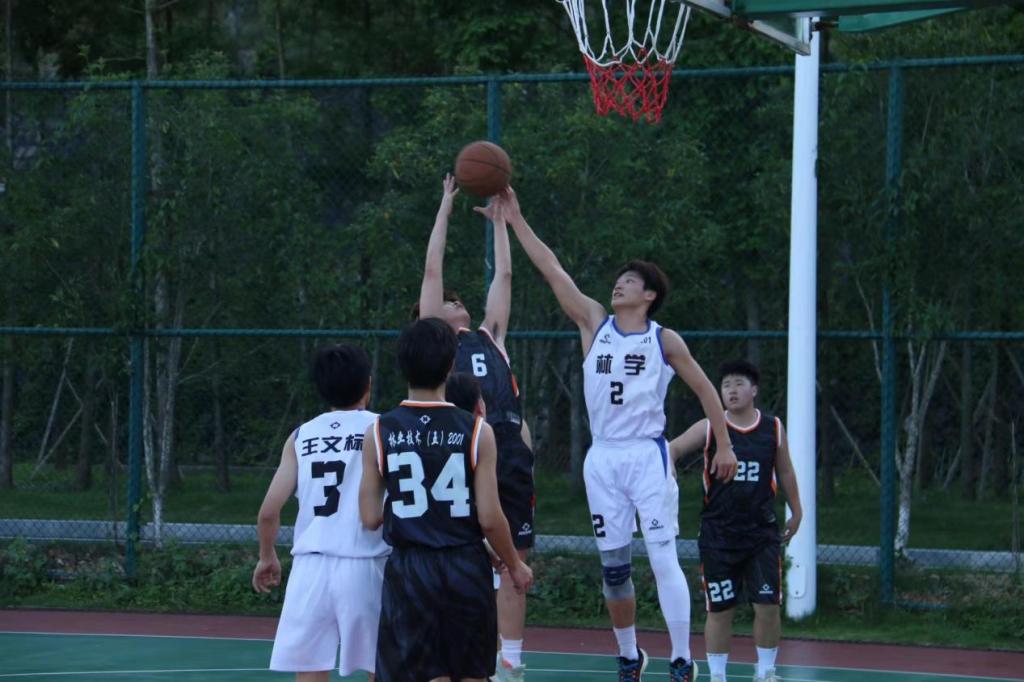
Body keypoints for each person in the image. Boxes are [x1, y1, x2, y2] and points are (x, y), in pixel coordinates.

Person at [502, 187, 738, 682]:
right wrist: (515, 219)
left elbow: (705, 390)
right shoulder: (595, 323)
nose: (618, 285)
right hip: (603, 458)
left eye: (629, 281)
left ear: (649, 295)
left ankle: (681, 658)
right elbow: (552, 270)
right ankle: (629, 655)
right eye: (617, 280)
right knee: (613, 569)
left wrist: (725, 443)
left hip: (646, 455)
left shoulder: (663, 339)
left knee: (662, 557)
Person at [359, 317, 534, 682]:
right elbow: (490, 517)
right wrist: (514, 564)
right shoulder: (477, 431)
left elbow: (370, 517)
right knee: (471, 673)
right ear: (452, 364)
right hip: (464, 565)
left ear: (401, 365)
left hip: (410, 568)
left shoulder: (378, 431)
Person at [416, 175, 535, 680]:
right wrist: (444, 207)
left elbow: (504, 276)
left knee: (514, 560)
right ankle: (452, 653)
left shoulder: (491, 336)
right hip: (456, 448)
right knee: (462, 556)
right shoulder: (434, 342)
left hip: (507, 449)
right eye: (446, 301)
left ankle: (511, 663)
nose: (454, 301)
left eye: (457, 299)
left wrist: (501, 223)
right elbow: (432, 268)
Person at [252, 344, 387, 682]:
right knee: (382, 665)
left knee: (310, 670)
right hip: (366, 562)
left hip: (310, 569)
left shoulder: (301, 436)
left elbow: (268, 512)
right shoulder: (383, 429)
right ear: (368, 384)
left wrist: (267, 555)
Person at [669, 360, 803, 682]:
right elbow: (671, 448)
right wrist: (668, 469)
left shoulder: (773, 427)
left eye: (739, 384)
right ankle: (717, 676)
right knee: (720, 608)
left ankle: (766, 672)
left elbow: (785, 470)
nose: (731, 390)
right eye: (726, 385)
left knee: (768, 606)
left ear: (754, 390)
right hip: (719, 535)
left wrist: (797, 510)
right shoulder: (709, 427)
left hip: (761, 533)